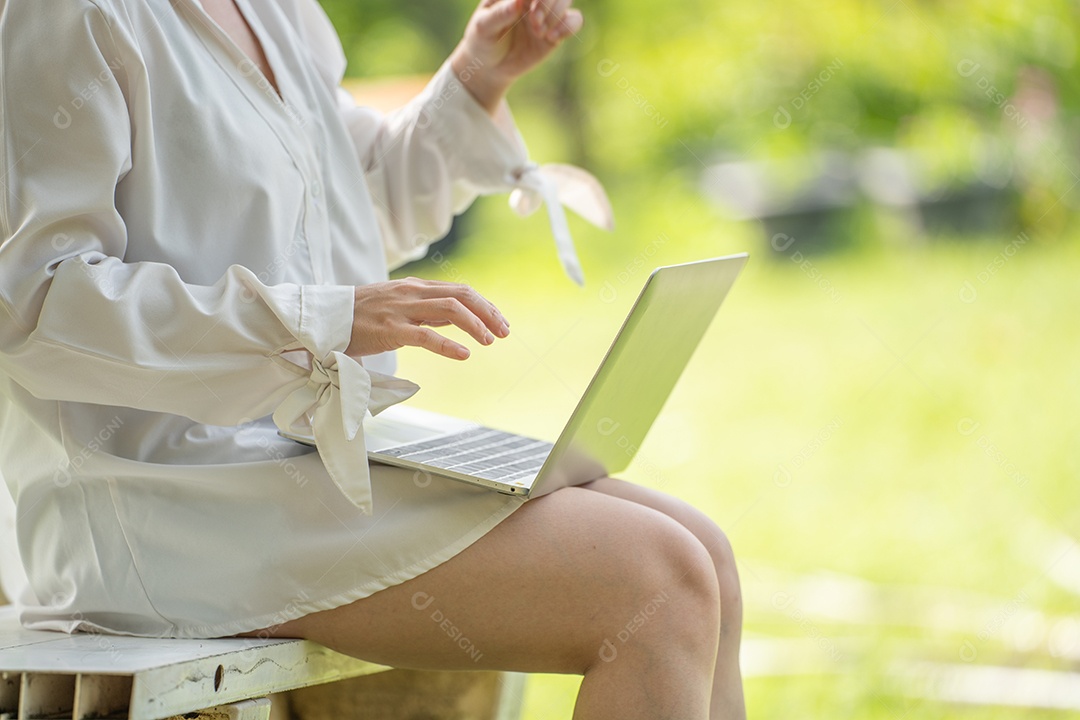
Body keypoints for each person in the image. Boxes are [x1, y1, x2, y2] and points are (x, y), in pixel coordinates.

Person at [0, 0, 745, 716]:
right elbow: (31, 300)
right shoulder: (67, 10)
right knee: (658, 580)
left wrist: (475, 80)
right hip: (147, 499)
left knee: (705, 557)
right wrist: (322, 319)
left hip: (294, 454)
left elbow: (342, 209)